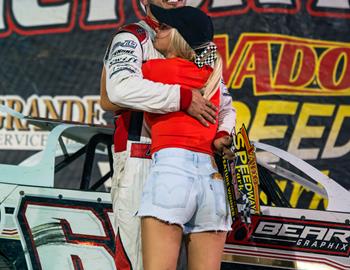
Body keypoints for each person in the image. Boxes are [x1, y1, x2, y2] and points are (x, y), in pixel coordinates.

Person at [100, 1, 236, 269]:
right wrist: (182, 98)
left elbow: (225, 104)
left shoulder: (199, 45)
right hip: (142, 156)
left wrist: (222, 132)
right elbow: (115, 92)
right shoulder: (132, 36)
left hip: (181, 167)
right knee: (138, 261)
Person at [137, 5, 233, 270]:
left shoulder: (154, 70)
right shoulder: (212, 78)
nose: (159, 28)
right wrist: (222, 134)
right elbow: (229, 111)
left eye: (166, 27)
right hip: (213, 185)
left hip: (171, 174)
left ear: (180, 37)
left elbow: (115, 93)